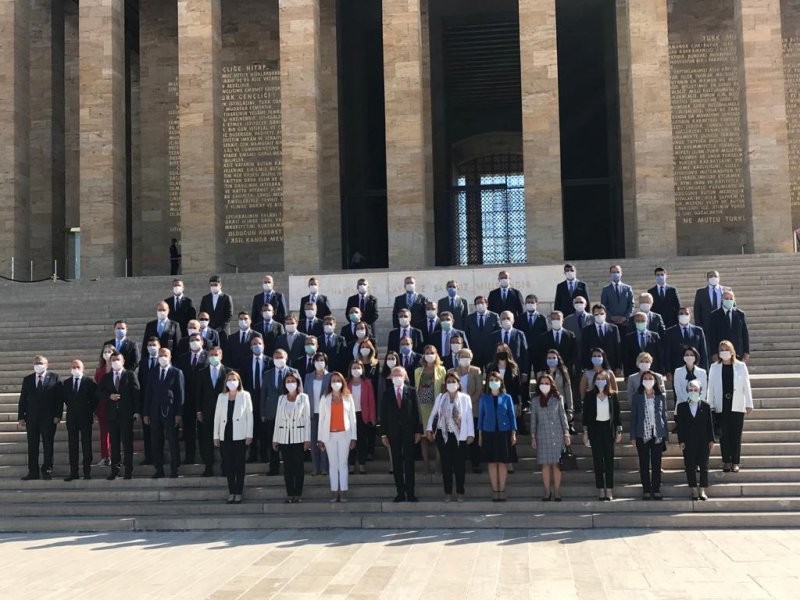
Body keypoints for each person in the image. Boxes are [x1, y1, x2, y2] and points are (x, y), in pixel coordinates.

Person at [425, 371, 474, 501]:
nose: (451, 384)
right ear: (445, 384)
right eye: (449, 382)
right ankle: (447, 492)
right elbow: (433, 414)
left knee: (459, 466)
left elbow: (469, 416)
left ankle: (460, 492)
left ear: (458, 384)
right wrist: (429, 429)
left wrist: (471, 434)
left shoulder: (465, 397)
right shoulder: (441, 397)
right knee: (446, 465)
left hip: (460, 436)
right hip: (443, 435)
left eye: (454, 381)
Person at [708, 340, 753, 472]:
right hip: (721, 405)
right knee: (724, 434)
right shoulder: (714, 367)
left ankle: (735, 461)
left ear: (732, 351)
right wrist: (709, 404)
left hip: (737, 404)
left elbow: (746, 385)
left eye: (726, 349)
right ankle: (726, 461)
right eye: (721, 349)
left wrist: (749, 403)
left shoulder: (740, 366)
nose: (724, 352)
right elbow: (710, 387)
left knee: (736, 434)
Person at [381, 366, 423, 502]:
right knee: (397, 463)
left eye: (400, 375)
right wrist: (383, 434)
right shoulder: (387, 393)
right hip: (393, 432)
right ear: (391, 377)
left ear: (405, 377)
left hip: (409, 431)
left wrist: (418, 431)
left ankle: (410, 492)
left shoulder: (411, 391)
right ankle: (400, 492)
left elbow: (417, 412)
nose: (397, 377)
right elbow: (383, 415)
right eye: (395, 375)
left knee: (409, 462)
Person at [98, 352, 141, 480]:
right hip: (112, 415)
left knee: (127, 443)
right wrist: (108, 396)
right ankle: (115, 470)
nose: (115, 362)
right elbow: (99, 392)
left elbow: (136, 393)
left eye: (118, 359)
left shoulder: (129, 374)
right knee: (115, 444)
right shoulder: (106, 377)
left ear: (123, 361)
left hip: (126, 414)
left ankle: (128, 470)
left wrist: (137, 411)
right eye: (113, 360)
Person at [17, 356, 62, 480]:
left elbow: (59, 399)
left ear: (46, 365)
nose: (38, 365)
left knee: (48, 444)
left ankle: (47, 469)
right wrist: (21, 416)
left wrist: (58, 415)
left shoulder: (55, 377)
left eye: (41, 363)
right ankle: (33, 472)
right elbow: (23, 399)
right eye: (36, 363)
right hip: (31, 418)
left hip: (48, 418)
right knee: (32, 445)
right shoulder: (28, 379)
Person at [144, 348, 185, 479]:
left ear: (170, 356)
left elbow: (181, 394)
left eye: (165, 355)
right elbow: (148, 394)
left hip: (171, 413)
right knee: (156, 442)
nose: (162, 357)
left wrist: (179, 413)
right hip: (155, 413)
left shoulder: (176, 372)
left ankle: (175, 469)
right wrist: (146, 413)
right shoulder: (153, 372)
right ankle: (159, 469)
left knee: (173, 441)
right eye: (160, 355)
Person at [213, 371, 253, 504]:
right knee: (228, 464)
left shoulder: (245, 395)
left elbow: (249, 416)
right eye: (229, 379)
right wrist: (216, 435)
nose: (231, 382)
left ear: (239, 381)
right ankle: (232, 491)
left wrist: (249, 434)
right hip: (226, 434)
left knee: (239, 464)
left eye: (234, 379)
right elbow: (217, 417)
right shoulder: (221, 396)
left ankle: (239, 491)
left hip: (240, 434)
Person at [318, 372, 358, 502]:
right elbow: (321, 419)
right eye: (333, 380)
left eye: (338, 380)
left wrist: (354, 437)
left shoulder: (348, 397)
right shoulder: (325, 398)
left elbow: (353, 418)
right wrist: (320, 438)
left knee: (343, 464)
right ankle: (334, 491)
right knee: (333, 464)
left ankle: (343, 491)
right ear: (330, 383)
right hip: (329, 435)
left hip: (344, 434)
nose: (336, 383)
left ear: (342, 382)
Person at [582, 370, 621, 501]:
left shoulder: (612, 395)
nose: (600, 381)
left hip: (608, 430)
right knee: (598, 461)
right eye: (597, 379)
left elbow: (617, 415)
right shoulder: (589, 395)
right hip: (595, 429)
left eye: (602, 378)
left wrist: (619, 431)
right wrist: (585, 432)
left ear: (607, 381)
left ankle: (609, 489)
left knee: (609, 461)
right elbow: (586, 416)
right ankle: (600, 489)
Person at [478, 371, 517, 502]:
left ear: (500, 382)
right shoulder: (484, 398)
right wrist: (480, 434)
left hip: (504, 432)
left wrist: (513, 432)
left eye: (496, 379)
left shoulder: (507, 397)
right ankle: (495, 489)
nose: (493, 382)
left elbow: (512, 415)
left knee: (502, 462)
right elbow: (481, 416)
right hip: (488, 432)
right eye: (491, 379)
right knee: (492, 462)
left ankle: (502, 489)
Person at [530, 373, 570, 501]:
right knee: (545, 465)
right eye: (542, 383)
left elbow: (563, 416)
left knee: (556, 465)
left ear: (551, 385)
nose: (544, 385)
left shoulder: (558, 398)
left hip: (557, 435)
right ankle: (547, 492)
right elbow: (533, 420)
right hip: (542, 435)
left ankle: (557, 491)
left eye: (547, 383)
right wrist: (533, 437)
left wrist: (566, 433)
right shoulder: (535, 400)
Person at [629, 370, 669, 500]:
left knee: (657, 464)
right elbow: (633, 417)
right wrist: (633, 436)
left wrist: (666, 435)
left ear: (655, 381)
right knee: (644, 463)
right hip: (642, 434)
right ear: (642, 381)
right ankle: (646, 489)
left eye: (650, 378)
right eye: (645, 378)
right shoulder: (637, 397)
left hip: (657, 434)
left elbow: (664, 415)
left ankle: (656, 489)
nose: (648, 380)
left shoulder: (660, 396)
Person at [272, 372, 311, 503]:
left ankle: (298, 493)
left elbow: (307, 419)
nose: (290, 383)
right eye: (288, 381)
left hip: (299, 437)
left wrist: (307, 439)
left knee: (298, 466)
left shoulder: (304, 398)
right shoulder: (281, 398)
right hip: (284, 437)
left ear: (298, 383)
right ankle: (290, 493)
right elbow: (278, 419)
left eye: (292, 381)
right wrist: (275, 438)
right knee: (288, 467)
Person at [260, 349, 300, 476]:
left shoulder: (293, 372)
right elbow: (263, 394)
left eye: (281, 357)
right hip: (272, 413)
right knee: (273, 442)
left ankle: (291, 466)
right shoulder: (267, 374)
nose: (278, 359)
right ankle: (274, 468)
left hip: (290, 413)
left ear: (286, 358)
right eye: (276, 357)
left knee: (289, 442)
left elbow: (300, 393)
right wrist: (263, 412)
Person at [676, 379, 716, 500]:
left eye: (696, 390)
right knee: (690, 466)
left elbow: (710, 425)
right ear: (687, 391)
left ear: (700, 391)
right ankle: (693, 489)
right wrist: (681, 441)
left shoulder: (705, 406)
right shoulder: (681, 406)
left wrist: (711, 440)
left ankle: (702, 490)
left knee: (704, 466)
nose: (693, 391)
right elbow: (680, 426)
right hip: (688, 442)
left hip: (703, 441)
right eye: (691, 390)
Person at [60, 359, 98, 481]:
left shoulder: (89, 382)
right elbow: (65, 399)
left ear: (83, 368)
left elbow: (95, 399)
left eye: (78, 367)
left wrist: (88, 409)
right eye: (73, 367)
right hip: (72, 418)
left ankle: (87, 472)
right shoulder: (66, 383)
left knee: (86, 445)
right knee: (73, 445)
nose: (75, 369)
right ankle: (74, 472)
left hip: (85, 417)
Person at [197, 346, 230, 476]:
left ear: (221, 356)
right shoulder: (202, 372)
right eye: (211, 355)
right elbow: (198, 392)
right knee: (207, 439)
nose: (214, 357)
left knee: (224, 439)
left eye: (216, 354)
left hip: (224, 411)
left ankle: (225, 466)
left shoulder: (228, 372)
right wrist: (198, 411)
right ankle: (208, 466)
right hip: (207, 411)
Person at [175, 332, 207, 465]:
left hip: (203, 400)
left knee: (204, 432)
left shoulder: (207, 357)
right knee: (188, 432)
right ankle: (189, 457)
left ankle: (206, 457)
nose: (194, 342)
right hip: (187, 400)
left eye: (197, 339)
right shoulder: (182, 358)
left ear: (202, 342)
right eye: (192, 340)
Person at [415, 345, 446, 473]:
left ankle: (438, 465)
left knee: (437, 436)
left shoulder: (442, 370)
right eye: (426, 352)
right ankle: (426, 465)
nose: (429, 355)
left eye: (431, 352)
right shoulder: (418, 371)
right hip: (422, 407)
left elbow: (444, 387)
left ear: (436, 354)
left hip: (436, 406)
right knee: (423, 437)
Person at [455, 348, 483, 473]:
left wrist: (467, 403)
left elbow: (479, 390)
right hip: (457, 408)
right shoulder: (452, 371)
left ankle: (475, 463)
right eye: (462, 356)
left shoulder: (476, 371)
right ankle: (459, 463)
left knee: (474, 436)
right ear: (458, 358)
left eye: (467, 356)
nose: (465, 358)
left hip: (473, 408)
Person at [347, 359, 377, 474]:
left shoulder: (367, 382)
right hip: (349, 416)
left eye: (358, 367)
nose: (356, 370)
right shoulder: (346, 382)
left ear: (362, 369)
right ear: (350, 370)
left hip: (363, 415)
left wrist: (373, 417)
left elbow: (371, 401)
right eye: (354, 368)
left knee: (362, 440)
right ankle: (351, 464)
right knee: (351, 440)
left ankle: (362, 463)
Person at [305, 352, 331, 476]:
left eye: (322, 360)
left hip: (325, 415)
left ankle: (325, 467)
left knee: (324, 441)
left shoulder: (330, 376)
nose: (319, 362)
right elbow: (305, 395)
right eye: (317, 360)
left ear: (325, 362)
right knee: (314, 442)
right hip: (312, 414)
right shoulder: (308, 377)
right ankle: (316, 467)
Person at [536, 349, 575, 434]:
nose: (551, 360)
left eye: (554, 358)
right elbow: (538, 392)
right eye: (549, 358)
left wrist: (570, 409)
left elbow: (568, 391)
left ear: (558, 359)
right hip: (545, 405)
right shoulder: (540, 374)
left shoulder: (564, 373)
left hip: (560, 405)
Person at [708, 290, 750, 362]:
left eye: (731, 299)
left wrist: (746, 352)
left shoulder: (740, 314)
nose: (729, 300)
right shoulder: (714, 315)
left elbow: (745, 334)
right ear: (722, 300)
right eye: (726, 299)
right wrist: (714, 353)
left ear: (734, 300)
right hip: (721, 352)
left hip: (737, 352)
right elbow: (712, 336)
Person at [663, 307, 709, 372]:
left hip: (696, 369)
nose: (684, 315)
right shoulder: (669, 332)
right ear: (677, 316)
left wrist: (705, 370)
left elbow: (703, 352)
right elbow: (667, 354)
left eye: (686, 314)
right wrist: (668, 371)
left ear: (690, 316)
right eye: (681, 314)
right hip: (676, 369)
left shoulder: (698, 331)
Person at [137, 337, 160, 465]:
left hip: (159, 402)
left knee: (159, 433)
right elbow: (140, 382)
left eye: (154, 345)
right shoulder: (143, 362)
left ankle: (158, 457)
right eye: (149, 345)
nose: (152, 347)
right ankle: (148, 457)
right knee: (147, 432)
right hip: (146, 401)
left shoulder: (163, 361)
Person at [490, 311, 530, 382]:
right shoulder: (493, 335)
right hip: (498, 370)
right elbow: (490, 353)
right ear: (500, 320)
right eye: (503, 318)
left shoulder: (520, 334)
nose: (506, 320)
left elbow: (525, 354)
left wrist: (524, 372)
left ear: (513, 320)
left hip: (515, 370)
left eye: (508, 318)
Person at [580, 303, 621, 372]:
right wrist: (585, 366)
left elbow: (617, 347)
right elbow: (584, 349)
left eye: (602, 313)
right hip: (592, 366)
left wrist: (618, 366)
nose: (599, 316)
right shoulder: (586, 330)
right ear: (593, 315)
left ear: (605, 314)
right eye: (596, 314)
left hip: (610, 365)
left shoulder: (613, 328)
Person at [534, 310, 577, 375]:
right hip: (549, 371)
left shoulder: (570, 335)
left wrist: (566, 367)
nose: (556, 320)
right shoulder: (544, 337)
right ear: (550, 321)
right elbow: (541, 354)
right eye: (553, 319)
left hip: (566, 371)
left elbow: (573, 353)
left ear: (562, 320)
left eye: (558, 318)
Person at [93, 344, 115, 466]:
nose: (107, 353)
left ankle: (113, 455)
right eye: (105, 351)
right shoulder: (99, 370)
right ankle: (105, 456)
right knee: (104, 433)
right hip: (102, 404)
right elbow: (96, 388)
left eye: (110, 351)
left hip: (115, 404)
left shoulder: (117, 368)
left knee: (114, 432)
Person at [464, 295, 500, 368]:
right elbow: (466, 335)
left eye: (482, 302)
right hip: (475, 352)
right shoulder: (469, 318)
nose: (480, 305)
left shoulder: (494, 316)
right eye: (477, 303)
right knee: (476, 374)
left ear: (487, 304)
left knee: (491, 373)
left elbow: (498, 333)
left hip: (490, 352)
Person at [622, 312, 663, 376]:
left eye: (643, 320)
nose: (640, 322)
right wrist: (627, 374)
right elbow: (626, 358)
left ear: (647, 322)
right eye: (638, 321)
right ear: (634, 322)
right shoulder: (628, 337)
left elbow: (659, 354)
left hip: (652, 372)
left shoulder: (655, 336)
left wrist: (661, 373)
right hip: (634, 372)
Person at [693, 270, 724, 335]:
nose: (713, 278)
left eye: (715, 276)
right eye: (711, 276)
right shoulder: (700, 292)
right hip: (707, 326)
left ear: (719, 278)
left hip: (723, 324)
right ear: (707, 279)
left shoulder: (726, 290)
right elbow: (697, 311)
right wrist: (699, 326)